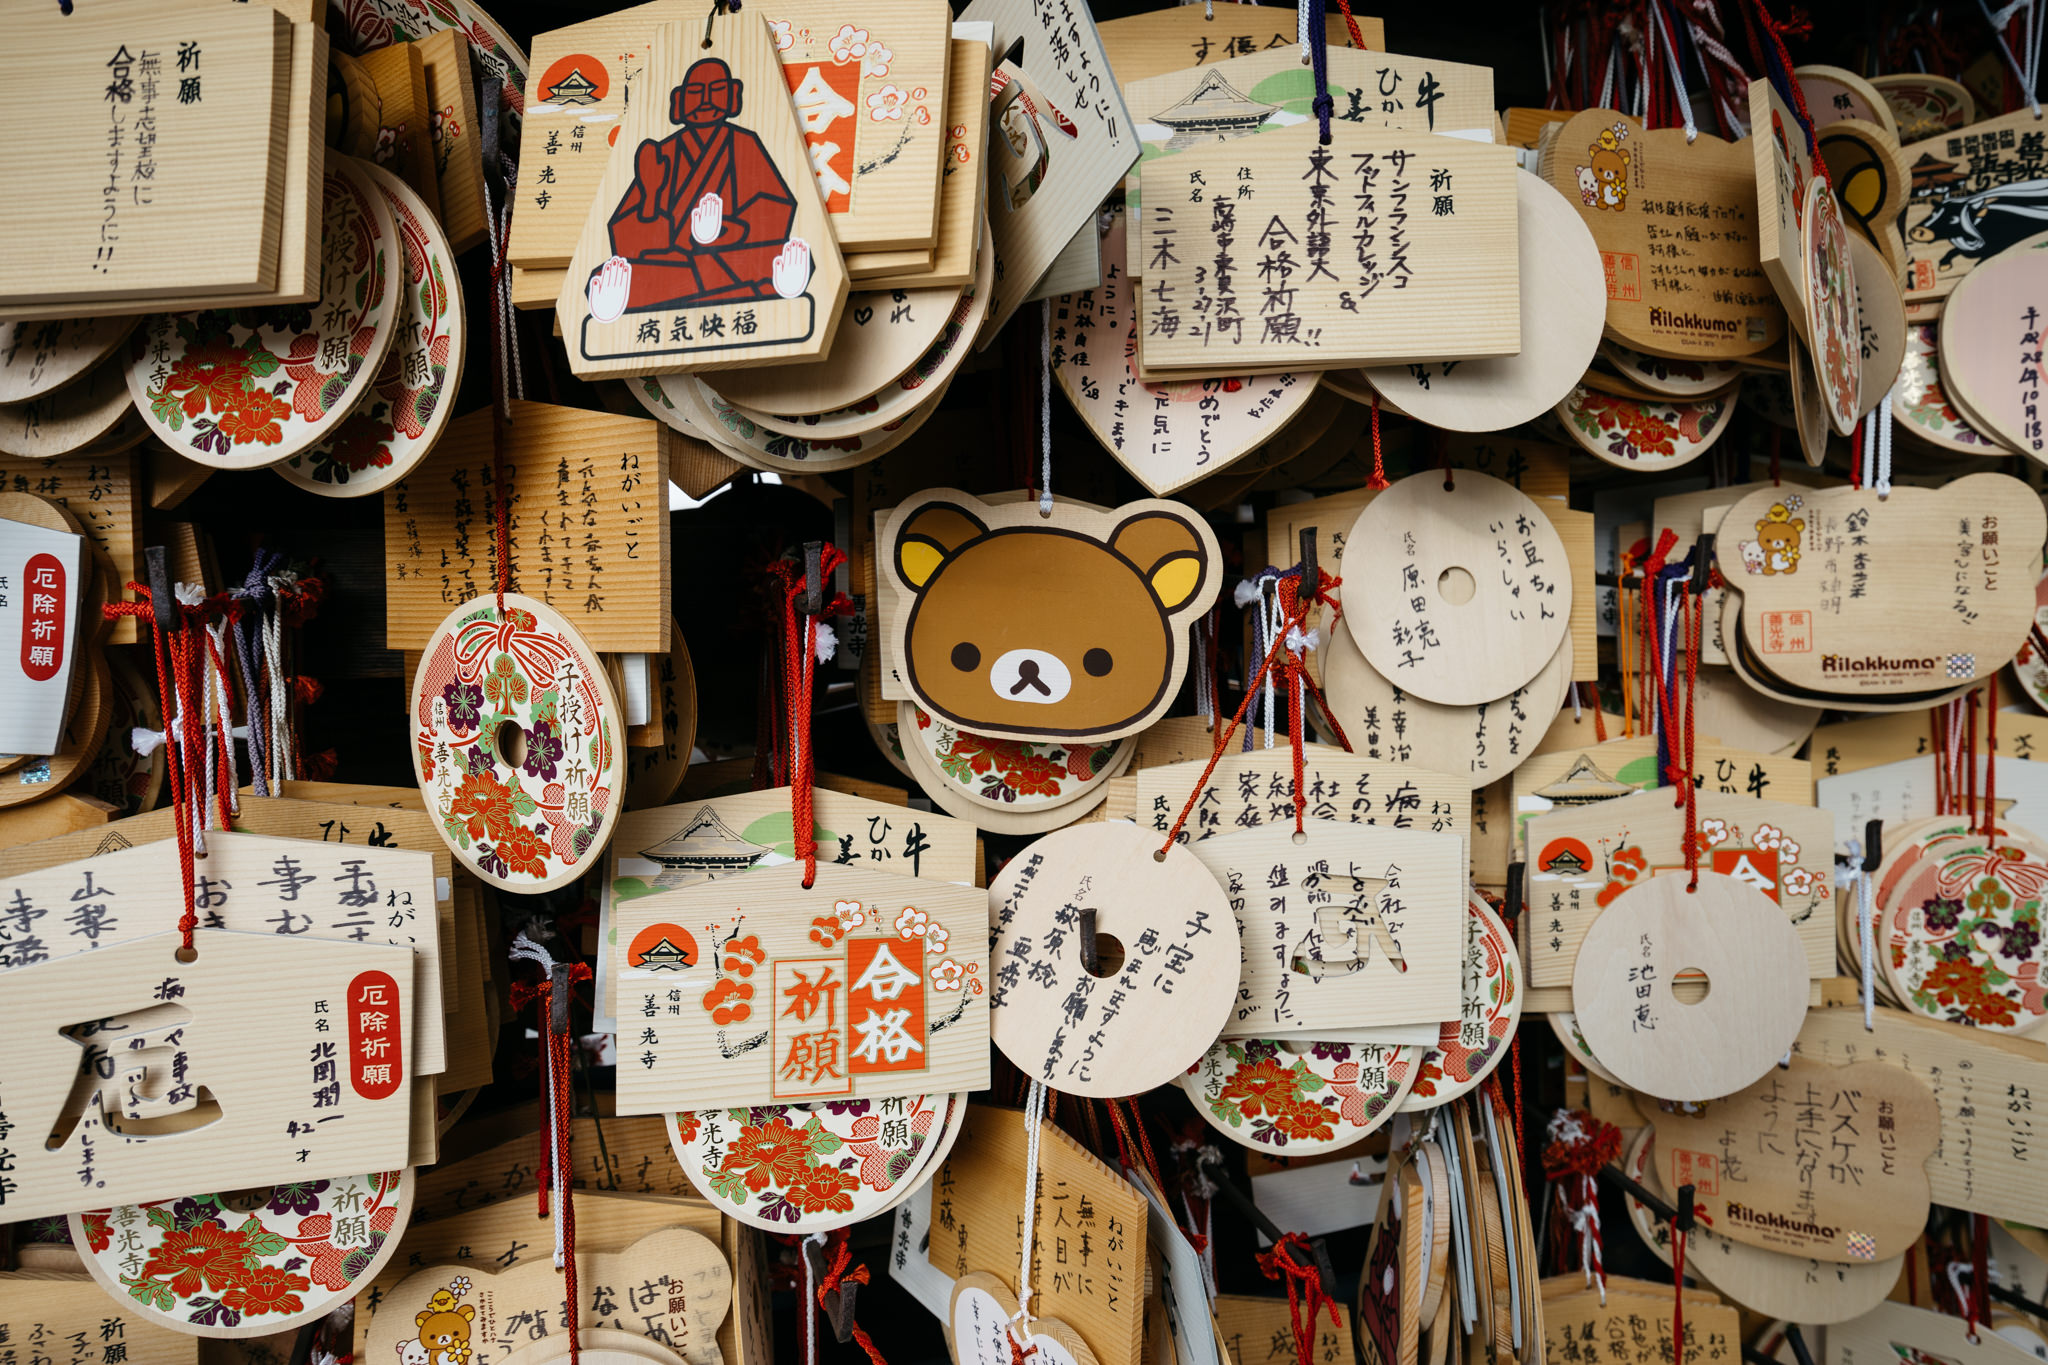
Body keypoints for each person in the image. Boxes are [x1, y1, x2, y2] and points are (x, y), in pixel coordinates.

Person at [585, 56, 810, 321]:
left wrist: (721, 232)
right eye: (695, 92)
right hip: (674, 264)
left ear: (733, 96)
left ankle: (663, 295)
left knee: (791, 254)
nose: (705, 100)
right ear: (678, 101)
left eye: (716, 91)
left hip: (727, 257)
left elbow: (773, 208)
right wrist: (650, 196)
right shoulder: (661, 153)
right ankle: (749, 291)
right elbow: (624, 238)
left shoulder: (743, 143)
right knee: (601, 276)